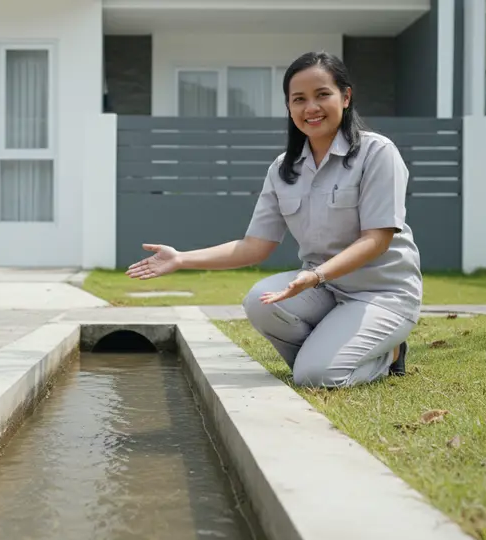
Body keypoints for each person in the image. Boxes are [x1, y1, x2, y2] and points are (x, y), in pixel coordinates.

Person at [125, 51, 422, 388]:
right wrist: (181, 259)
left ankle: (389, 355)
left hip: (380, 293)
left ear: (345, 96)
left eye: (322, 94)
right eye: (299, 99)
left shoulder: (377, 153)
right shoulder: (284, 169)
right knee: (260, 302)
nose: (311, 107)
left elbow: (376, 239)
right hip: (324, 291)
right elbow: (253, 246)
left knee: (317, 376)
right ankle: (327, 351)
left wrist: (316, 275)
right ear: (289, 107)